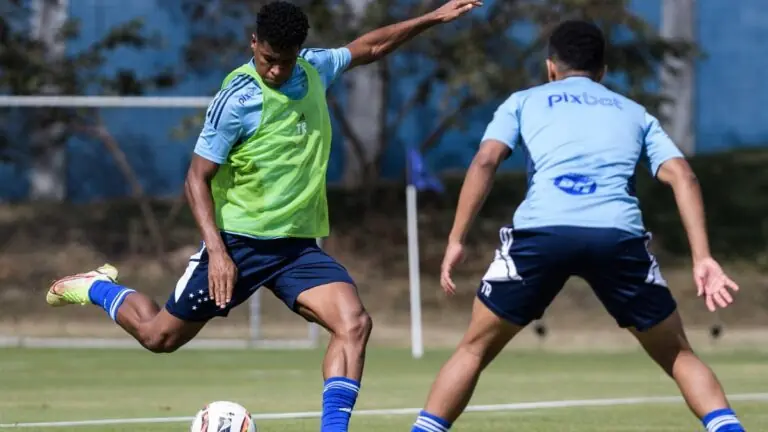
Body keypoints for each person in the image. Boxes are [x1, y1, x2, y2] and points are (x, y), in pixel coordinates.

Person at [45, 1, 480, 431]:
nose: (275, 70)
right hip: (238, 244)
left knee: (354, 323)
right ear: (254, 43)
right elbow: (196, 179)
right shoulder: (237, 99)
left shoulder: (314, 68)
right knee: (159, 337)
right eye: (268, 59)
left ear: (299, 53)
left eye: (284, 61)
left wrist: (431, 17)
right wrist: (217, 252)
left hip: (295, 249)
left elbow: (371, 46)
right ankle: (97, 287)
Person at [410, 20, 744, 432]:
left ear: (550, 66)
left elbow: (485, 162)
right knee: (678, 355)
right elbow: (684, 177)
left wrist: (456, 239)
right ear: (603, 71)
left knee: (473, 349)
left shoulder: (523, 101)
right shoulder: (635, 113)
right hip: (616, 237)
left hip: (541, 235)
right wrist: (703, 257)